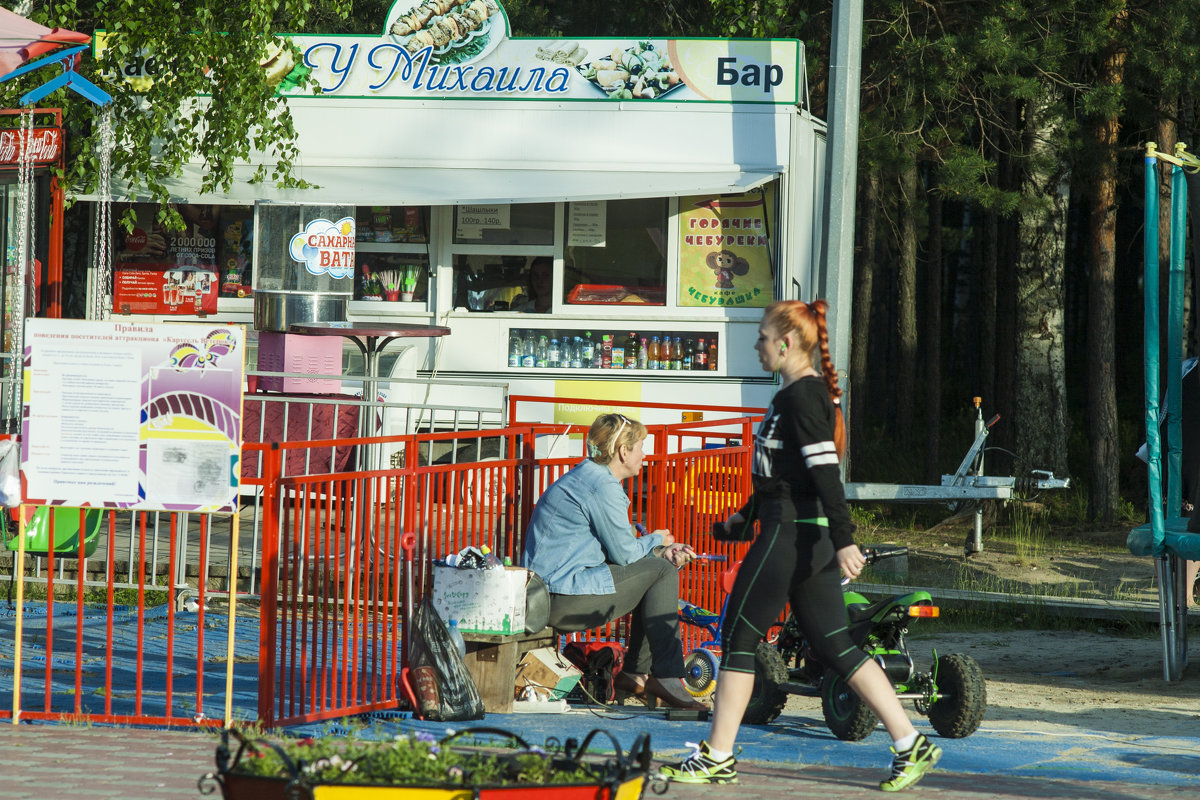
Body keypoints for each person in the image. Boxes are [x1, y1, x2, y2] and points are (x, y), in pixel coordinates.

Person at [660, 299, 943, 791]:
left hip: (791, 539)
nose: (757, 345)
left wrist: (845, 539)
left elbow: (825, 472)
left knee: (737, 640)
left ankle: (716, 756)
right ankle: (909, 744)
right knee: (837, 646)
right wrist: (741, 520)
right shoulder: (796, 396)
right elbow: (785, 475)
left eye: (763, 337)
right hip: (795, 535)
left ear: (786, 343)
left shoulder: (801, 398)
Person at [522, 413, 708, 710]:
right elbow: (623, 555)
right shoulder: (601, 485)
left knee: (657, 569)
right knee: (661, 573)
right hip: (561, 598)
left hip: (547, 593)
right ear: (623, 451)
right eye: (640, 447)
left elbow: (619, 554)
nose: (644, 454)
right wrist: (658, 540)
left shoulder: (588, 476)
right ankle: (667, 676)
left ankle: (636, 674)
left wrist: (659, 551)